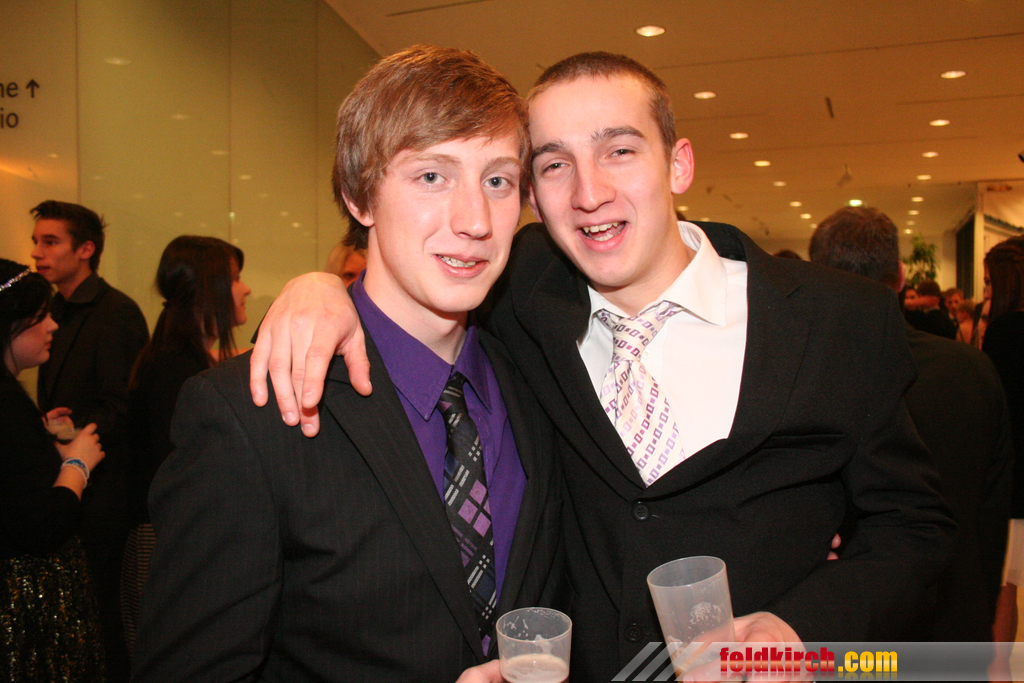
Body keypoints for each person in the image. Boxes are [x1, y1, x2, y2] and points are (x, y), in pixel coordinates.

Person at [250, 51, 953, 680]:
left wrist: (801, 628)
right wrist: (320, 291)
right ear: (532, 193)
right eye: (554, 164)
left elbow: (913, 526)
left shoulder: (836, 321)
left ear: (678, 163)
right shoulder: (519, 293)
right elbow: (406, 281)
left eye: (619, 150)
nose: (589, 193)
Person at [132, 46, 563, 683]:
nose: (476, 221)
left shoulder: (537, 373)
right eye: (432, 176)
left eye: (497, 181)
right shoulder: (250, 416)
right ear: (359, 197)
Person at [809, 206, 1012, 641]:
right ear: (901, 277)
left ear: (814, 278)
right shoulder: (972, 370)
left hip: (850, 629)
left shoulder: (807, 381)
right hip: (956, 619)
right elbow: (991, 513)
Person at [30, 199, 149, 681]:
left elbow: (123, 405)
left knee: (102, 614)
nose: (38, 252)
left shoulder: (116, 312)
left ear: (86, 250)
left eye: (50, 242)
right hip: (69, 480)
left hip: (104, 491)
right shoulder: (52, 309)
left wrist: (69, 435)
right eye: (37, 241)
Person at [120, 235, 250, 654]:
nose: (245, 289)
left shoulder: (185, 360)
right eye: (234, 278)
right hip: (166, 540)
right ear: (208, 289)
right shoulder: (175, 369)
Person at [0, 258, 106, 682]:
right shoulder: (7, 403)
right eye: (40, 316)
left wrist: (42, 442)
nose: (53, 326)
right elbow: (42, 525)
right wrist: (78, 463)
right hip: (25, 609)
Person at [981, 236, 1024, 640]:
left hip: (1014, 485)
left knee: (1003, 592)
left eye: (989, 283)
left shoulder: (1004, 332)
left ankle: (1000, 668)